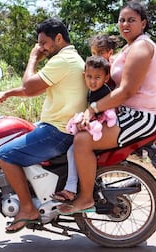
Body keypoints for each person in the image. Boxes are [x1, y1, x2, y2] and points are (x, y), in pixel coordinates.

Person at [57, 0, 156, 215]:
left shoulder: (142, 47)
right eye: (122, 20)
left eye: (131, 20)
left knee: (82, 140)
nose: (125, 24)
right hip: (125, 112)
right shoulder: (129, 48)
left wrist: (93, 109)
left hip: (141, 116)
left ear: (143, 23)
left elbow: (126, 91)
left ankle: (85, 198)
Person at [0, 18, 88, 232]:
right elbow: (36, 89)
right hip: (62, 127)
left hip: (57, 132)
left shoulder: (62, 61)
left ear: (58, 38)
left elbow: (29, 85)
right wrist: (8, 93)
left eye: (44, 43)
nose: (41, 48)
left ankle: (28, 208)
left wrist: (32, 57)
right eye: (39, 45)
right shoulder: (69, 58)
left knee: (5, 155)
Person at [52, 35, 120, 203]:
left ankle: (72, 189)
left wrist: (87, 120)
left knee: (74, 149)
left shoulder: (104, 86)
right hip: (98, 121)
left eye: (100, 53)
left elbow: (104, 109)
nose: (93, 80)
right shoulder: (96, 82)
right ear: (84, 75)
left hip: (104, 124)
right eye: (89, 77)